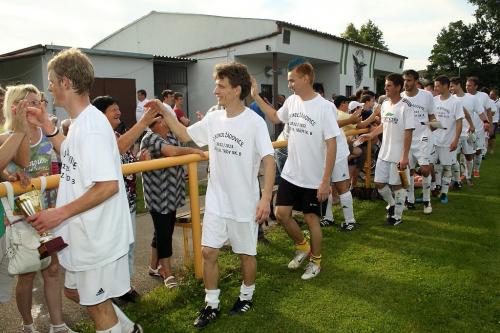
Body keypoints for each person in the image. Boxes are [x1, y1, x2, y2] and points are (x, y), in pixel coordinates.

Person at [145, 62, 275, 328]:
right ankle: (211, 303)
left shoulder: (254, 122)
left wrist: (264, 199)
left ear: (237, 89)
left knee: (246, 254)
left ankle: (246, 295)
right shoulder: (214, 118)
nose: (215, 90)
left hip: (244, 202)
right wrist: (163, 110)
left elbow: (269, 160)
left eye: (221, 86)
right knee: (207, 252)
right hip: (216, 199)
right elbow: (183, 134)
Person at [26, 48, 141, 333]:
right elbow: (71, 155)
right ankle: (128, 329)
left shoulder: (91, 126)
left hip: (98, 237)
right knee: (75, 293)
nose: (49, 87)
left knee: (99, 308)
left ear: (66, 82)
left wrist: (58, 214)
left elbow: (107, 186)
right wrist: (47, 127)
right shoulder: (80, 124)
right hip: (84, 235)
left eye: (51, 81)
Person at [252, 58, 339, 279]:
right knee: (281, 214)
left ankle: (316, 262)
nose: (289, 84)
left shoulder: (325, 107)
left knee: (312, 219)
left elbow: (332, 144)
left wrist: (325, 181)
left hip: (314, 178)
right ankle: (302, 246)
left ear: (306, 78)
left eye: (292, 80)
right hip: (292, 173)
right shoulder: (291, 102)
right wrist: (255, 97)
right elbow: (274, 116)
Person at [2, 84, 74, 333]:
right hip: (23, 216)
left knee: (53, 268)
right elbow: (12, 168)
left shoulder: (47, 132)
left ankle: (58, 324)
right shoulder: (6, 136)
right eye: (31, 101)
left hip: (49, 212)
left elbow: (64, 162)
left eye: (40, 100)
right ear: (18, 105)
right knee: (28, 273)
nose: (38, 106)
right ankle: (28, 325)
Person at [92, 95, 160, 302]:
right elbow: (119, 148)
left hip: (127, 201)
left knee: (128, 245)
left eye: (118, 108)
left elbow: (126, 166)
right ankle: (111, 289)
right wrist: (144, 122)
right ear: (100, 114)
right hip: (110, 204)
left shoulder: (114, 134)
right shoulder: (100, 135)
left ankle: (124, 286)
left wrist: (138, 162)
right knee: (113, 249)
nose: (118, 112)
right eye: (113, 109)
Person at [140, 115, 204, 288]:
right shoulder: (150, 138)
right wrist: (193, 151)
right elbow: (172, 152)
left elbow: (177, 151)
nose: (170, 119)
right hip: (159, 196)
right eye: (165, 117)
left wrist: (184, 170)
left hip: (172, 194)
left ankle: (153, 266)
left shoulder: (171, 135)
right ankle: (166, 272)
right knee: (164, 234)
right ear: (159, 122)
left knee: (162, 231)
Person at [360, 73, 414, 225]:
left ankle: (397, 216)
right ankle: (392, 203)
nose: (386, 88)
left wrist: (404, 157)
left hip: (398, 154)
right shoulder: (384, 105)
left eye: (389, 85)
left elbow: (409, 131)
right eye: (385, 85)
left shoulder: (406, 106)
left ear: (398, 87)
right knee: (378, 183)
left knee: (397, 185)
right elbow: (384, 125)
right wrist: (371, 135)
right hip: (384, 152)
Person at [401, 69, 437, 214]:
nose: (406, 83)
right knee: (405, 170)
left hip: (423, 138)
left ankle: (427, 201)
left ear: (416, 81)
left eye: (409, 80)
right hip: (406, 139)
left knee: (425, 169)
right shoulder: (401, 97)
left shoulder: (427, 96)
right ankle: (409, 200)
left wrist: (435, 130)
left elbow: (432, 116)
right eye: (404, 80)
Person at [432, 75, 464, 204]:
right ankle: (436, 187)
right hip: (434, 140)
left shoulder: (455, 102)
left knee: (446, 167)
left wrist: (455, 139)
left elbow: (459, 122)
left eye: (438, 85)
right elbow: (431, 118)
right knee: (435, 166)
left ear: (446, 85)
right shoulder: (434, 100)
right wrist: (433, 128)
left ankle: (444, 193)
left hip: (448, 141)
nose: (436, 88)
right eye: (435, 85)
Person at [449, 77, 477, 186]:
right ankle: (454, 179)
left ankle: (468, 177)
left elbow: (466, 113)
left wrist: (472, 125)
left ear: (458, 85)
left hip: (467, 133)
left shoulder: (470, 98)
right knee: (452, 157)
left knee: (469, 156)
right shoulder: (451, 98)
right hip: (454, 134)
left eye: (452, 86)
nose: (450, 88)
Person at [465, 77, 491, 177]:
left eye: (470, 85)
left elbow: (488, 110)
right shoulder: (463, 96)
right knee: (466, 152)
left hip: (479, 129)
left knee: (478, 150)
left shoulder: (483, 96)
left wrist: (489, 124)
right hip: (466, 129)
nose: (467, 87)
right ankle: (466, 172)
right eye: (466, 85)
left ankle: (476, 169)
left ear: (476, 86)